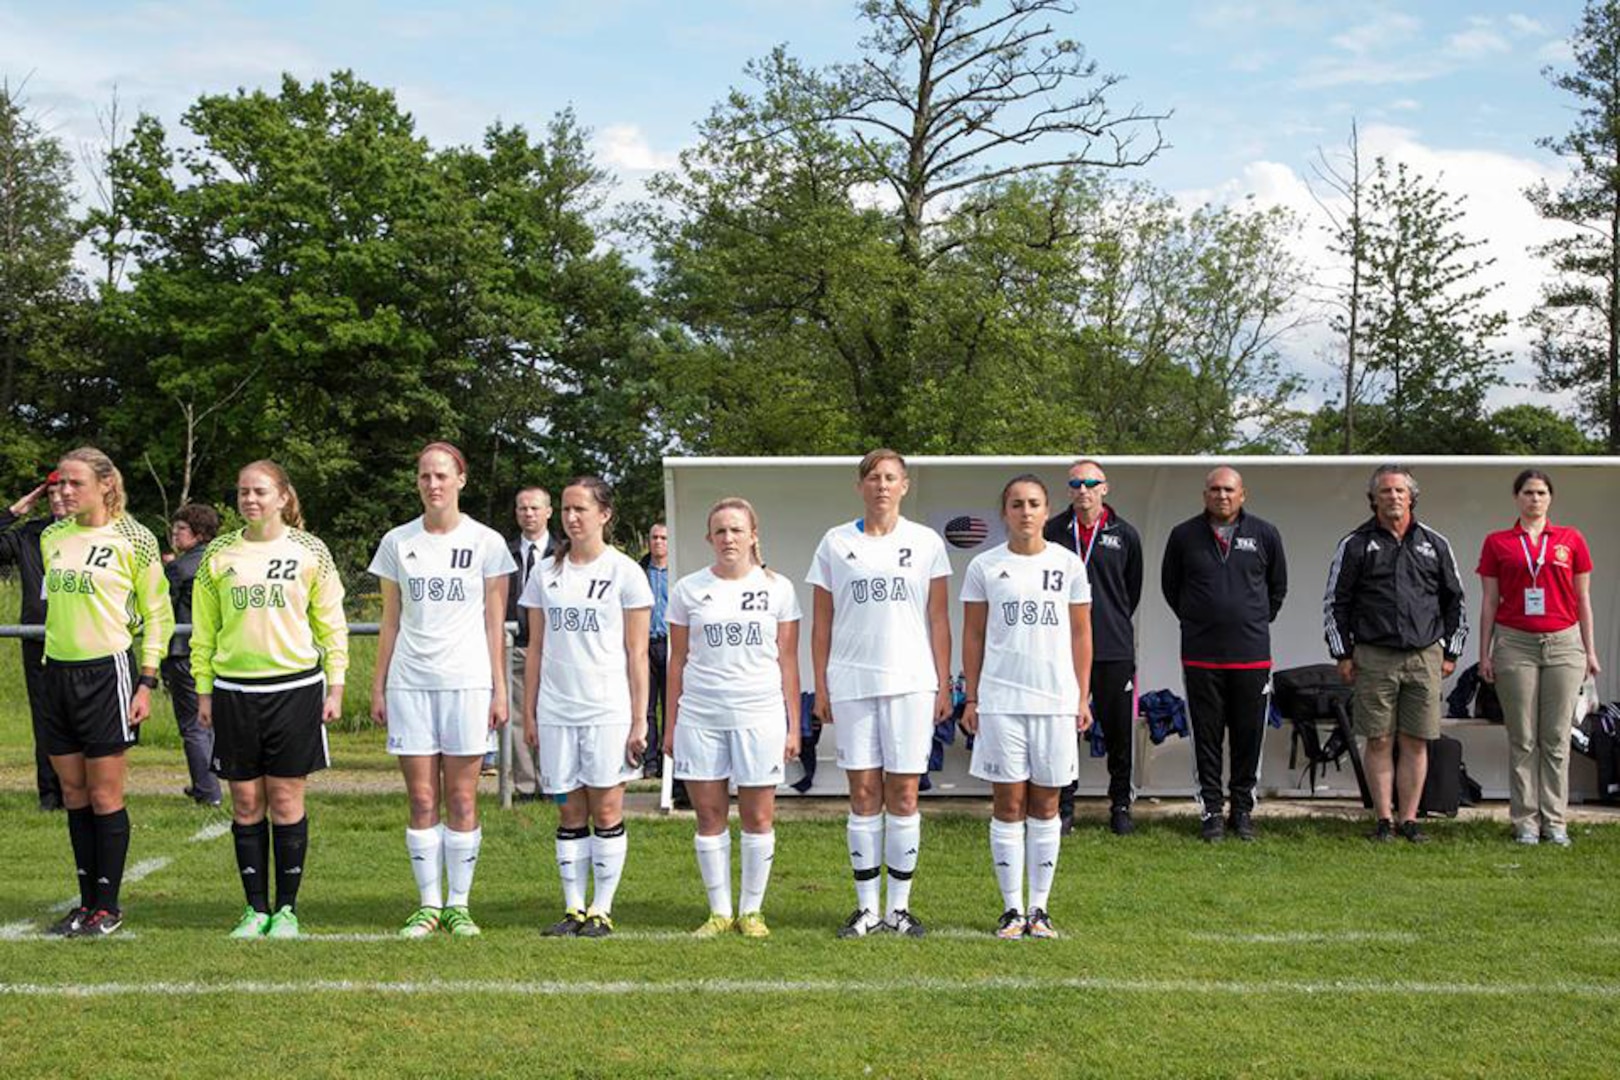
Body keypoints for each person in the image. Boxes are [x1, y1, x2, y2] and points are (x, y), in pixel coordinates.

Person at [191, 460, 348, 938]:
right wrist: (204, 689)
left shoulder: (309, 551)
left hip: (294, 690)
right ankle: (255, 908)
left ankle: (287, 910)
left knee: (284, 798)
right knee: (244, 802)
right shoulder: (219, 554)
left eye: (260, 491)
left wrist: (336, 683)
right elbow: (204, 631)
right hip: (234, 691)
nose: (250, 500)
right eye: (243, 492)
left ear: (283, 496)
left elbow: (331, 623)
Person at [371, 443, 515, 937]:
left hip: (468, 683)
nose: (433, 484)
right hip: (410, 684)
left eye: (442, 476)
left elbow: (496, 624)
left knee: (463, 797)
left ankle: (460, 905)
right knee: (421, 798)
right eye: (425, 476)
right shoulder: (397, 541)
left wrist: (500, 689)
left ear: (461, 480)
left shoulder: (487, 542)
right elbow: (390, 622)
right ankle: (428, 905)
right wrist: (379, 686)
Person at [808, 449, 952, 938]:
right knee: (864, 792)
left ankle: (900, 908)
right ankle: (867, 908)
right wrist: (822, 682)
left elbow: (938, 619)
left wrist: (943, 681)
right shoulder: (834, 542)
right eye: (873, 477)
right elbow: (821, 621)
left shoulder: (927, 542)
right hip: (851, 681)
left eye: (891, 477)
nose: (882, 485)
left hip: (912, 681)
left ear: (905, 486)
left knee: (905, 793)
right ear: (860, 486)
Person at [38, 448, 172, 937]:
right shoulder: (52, 536)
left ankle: (108, 907)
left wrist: (147, 680)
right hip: (56, 675)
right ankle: (85, 903)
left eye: (74, 484)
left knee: (103, 792)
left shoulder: (133, 538)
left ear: (104, 485)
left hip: (107, 673)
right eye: (59, 484)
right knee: (73, 793)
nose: (64, 492)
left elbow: (158, 613)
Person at [961, 475, 1092, 940]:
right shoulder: (984, 566)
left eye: (1034, 503)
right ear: (1005, 513)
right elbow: (973, 635)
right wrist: (972, 696)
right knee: (1008, 803)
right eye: (1016, 504)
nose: (1025, 511)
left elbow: (1081, 634)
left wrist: (1081, 696)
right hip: (1000, 702)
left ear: (1046, 509)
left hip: (1054, 702)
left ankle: (1040, 909)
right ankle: (1011, 910)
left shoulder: (1068, 564)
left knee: (1047, 803)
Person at [520, 476, 651, 938]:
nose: (572, 518)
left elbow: (637, 653)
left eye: (581, 509)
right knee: (569, 811)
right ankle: (573, 908)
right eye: (567, 509)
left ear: (604, 515)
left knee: (608, 809)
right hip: (557, 711)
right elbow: (535, 647)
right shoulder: (545, 573)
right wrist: (531, 712)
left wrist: (639, 719)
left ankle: (602, 908)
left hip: (607, 710)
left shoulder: (625, 573)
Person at [665, 498, 801, 938]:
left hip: (760, 714)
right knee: (709, 818)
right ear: (709, 538)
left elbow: (788, 660)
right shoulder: (688, 589)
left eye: (736, 530)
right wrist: (669, 725)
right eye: (720, 531)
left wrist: (794, 724)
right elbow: (677, 660)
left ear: (753, 535)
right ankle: (719, 911)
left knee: (759, 817)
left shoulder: (778, 588)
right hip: (701, 715)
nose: (728, 538)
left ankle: (753, 912)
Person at [1325, 464, 1467, 844]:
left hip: (1424, 656)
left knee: (1416, 740)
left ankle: (1410, 819)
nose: (1393, 497)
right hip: (1373, 656)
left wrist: (1451, 651)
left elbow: (1456, 601)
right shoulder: (1355, 544)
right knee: (1378, 740)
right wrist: (1342, 653)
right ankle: (1383, 819)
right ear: (1373, 499)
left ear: (1412, 497)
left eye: (1400, 491)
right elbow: (1335, 603)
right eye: (1385, 492)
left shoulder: (1435, 543)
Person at [1161, 465, 1287, 843]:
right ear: (1205, 496)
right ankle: (1212, 811)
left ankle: (1243, 809)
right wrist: (1200, 619)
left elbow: (1277, 588)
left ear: (1242, 494)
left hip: (1251, 656)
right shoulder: (1184, 535)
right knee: (1207, 737)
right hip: (1201, 655)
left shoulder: (1265, 533)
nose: (1222, 496)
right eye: (1214, 489)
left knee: (1249, 736)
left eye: (1229, 490)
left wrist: (1250, 620)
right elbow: (1171, 587)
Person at [1476, 469, 1599, 847]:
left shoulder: (1570, 539)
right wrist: (1485, 653)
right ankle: (1526, 822)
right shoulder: (1498, 542)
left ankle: (1555, 821)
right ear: (1517, 498)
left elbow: (1583, 601)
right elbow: (1490, 602)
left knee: (1556, 736)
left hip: (1564, 643)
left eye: (1541, 492)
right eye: (1528, 492)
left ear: (1550, 499)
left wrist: (1590, 651)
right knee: (1523, 737)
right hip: (1515, 643)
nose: (1534, 499)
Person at [1045, 458, 1143, 836]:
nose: (1083, 490)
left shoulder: (1126, 534)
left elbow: (1130, 591)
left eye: (1090, 483)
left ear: (1105, 487)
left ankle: (1120, 805)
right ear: (1068, 491)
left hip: (1113, 647)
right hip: (1062, 648)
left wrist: (1109, 621)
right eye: (1075, 484)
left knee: (1119, 732)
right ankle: (1064, 806)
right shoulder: (1053, 531)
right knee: (1065, 730)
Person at [1, 473, 67, 811]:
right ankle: (50, 795)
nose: (58, 498)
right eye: (51, 493)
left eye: (64, 491)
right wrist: (13, 512)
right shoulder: (30, 533)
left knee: (78, 718)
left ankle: (81, 792)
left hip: (83, 636)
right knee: (45, 717)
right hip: (37, 637)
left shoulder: (96, 533)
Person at [164, 503, 222, 807]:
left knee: (193, 724)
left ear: (199, 533)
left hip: (184, 652)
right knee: (208, 722)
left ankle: (208, 790)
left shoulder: (179, 568)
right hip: (218, 651)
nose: (175, 534)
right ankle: (207, 784)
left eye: (181, 529)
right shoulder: (222, 561)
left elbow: (163, 609)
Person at [503, 486, 556, 799]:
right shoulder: (504, 553)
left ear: (548, 511)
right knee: (519, 717)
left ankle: (554, 784)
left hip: (555, 648)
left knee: (552, 715)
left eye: (535, 508)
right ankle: (526, 786)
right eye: (523, 508)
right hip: (516, 644)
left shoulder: (563, 552)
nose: (529, 513)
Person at [641, 522, 670, 775]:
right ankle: (650, 761)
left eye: (663, 538)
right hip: (645, 644)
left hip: (671, 644)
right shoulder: (640, 571)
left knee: (670, 703)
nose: (658, 542)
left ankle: (668, 757)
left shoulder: (678, 572)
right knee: (647, 706)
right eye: (654, 537)